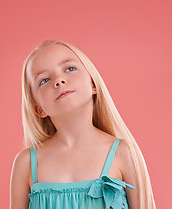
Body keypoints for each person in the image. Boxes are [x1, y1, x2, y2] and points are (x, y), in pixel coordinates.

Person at [9, 39, 156, 209]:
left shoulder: (123, 153)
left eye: (70, 69)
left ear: (93, 84)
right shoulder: (25, 163)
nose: (59, 80)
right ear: (39, 109)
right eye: (44, 80)